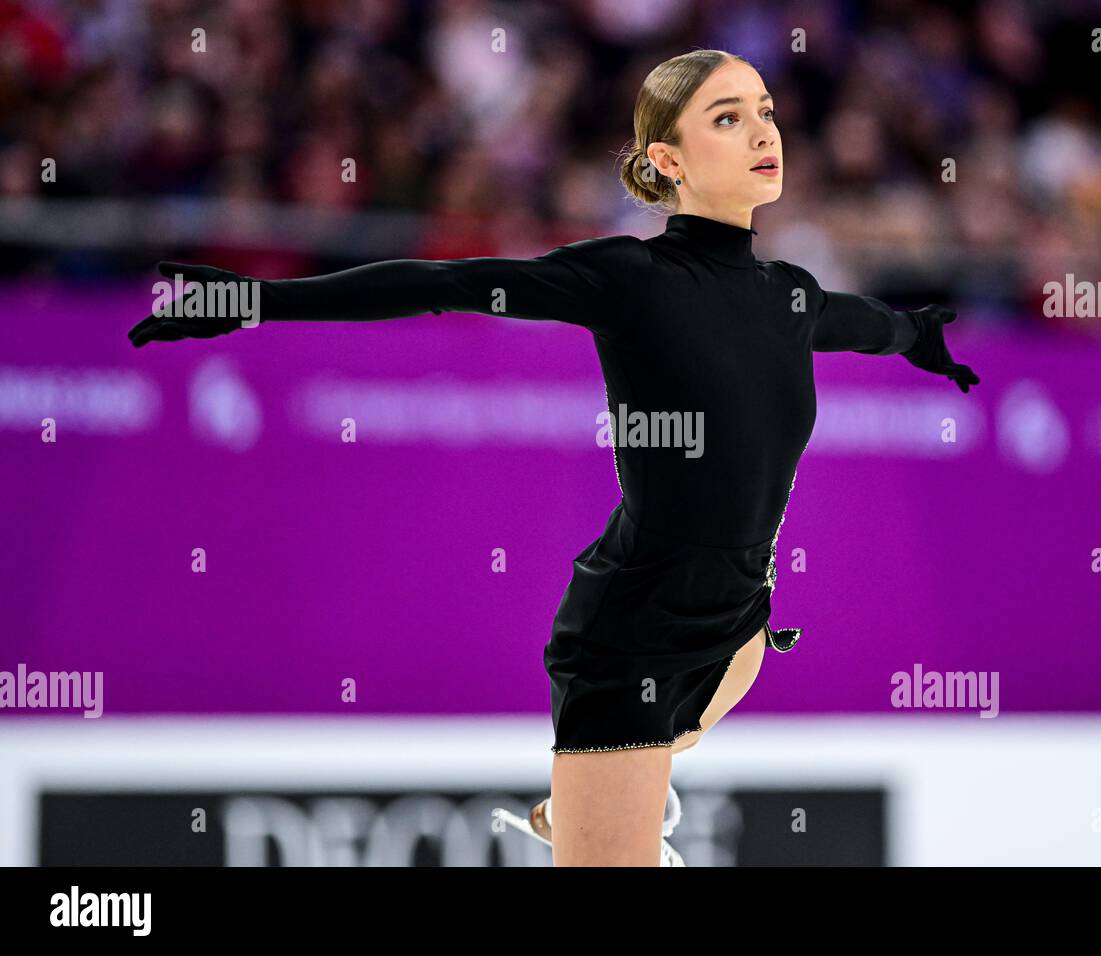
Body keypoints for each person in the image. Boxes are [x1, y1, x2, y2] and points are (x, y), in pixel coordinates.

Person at [128, 49, 979, 866]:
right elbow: (446, 283)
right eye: (728, 117)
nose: (765, 133)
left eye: (765, 111)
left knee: (696, 706)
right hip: (636, 634)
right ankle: (593, 805)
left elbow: (864, 322)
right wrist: (251, 299)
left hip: (742, 629)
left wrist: (919, 337)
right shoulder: (626, 275)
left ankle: (583, 805)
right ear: (668, 161)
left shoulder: (789, 294)